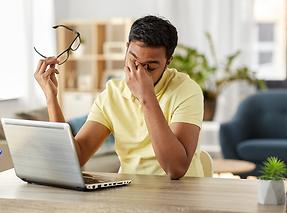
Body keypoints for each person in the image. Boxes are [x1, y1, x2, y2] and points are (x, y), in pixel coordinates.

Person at [34, 15, 204, 179]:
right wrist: (51, 97)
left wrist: (146, 97)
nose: (139, 73)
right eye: (133, 62)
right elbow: (71, 160)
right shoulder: (112, 93)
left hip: (180, 196)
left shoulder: (186, 90)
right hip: (130, 194)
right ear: (127, 48)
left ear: (168, 62)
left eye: (150, 68)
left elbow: (175, 169)